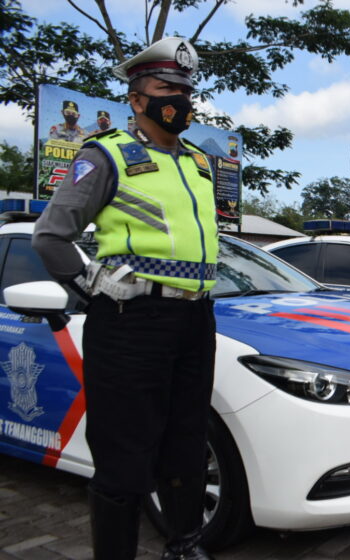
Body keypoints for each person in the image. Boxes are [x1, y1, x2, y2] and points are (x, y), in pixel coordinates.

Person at [32, 37, 218, 560]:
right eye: (166, 89)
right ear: (137, 99)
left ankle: (184, 546)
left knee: (185, 444)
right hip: (131, 319)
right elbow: (49, 235)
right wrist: (90, 283)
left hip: (194, 319)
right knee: (125, 454)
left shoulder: (202, 165)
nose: (179, 99)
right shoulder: (106, 154)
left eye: (186, 89)